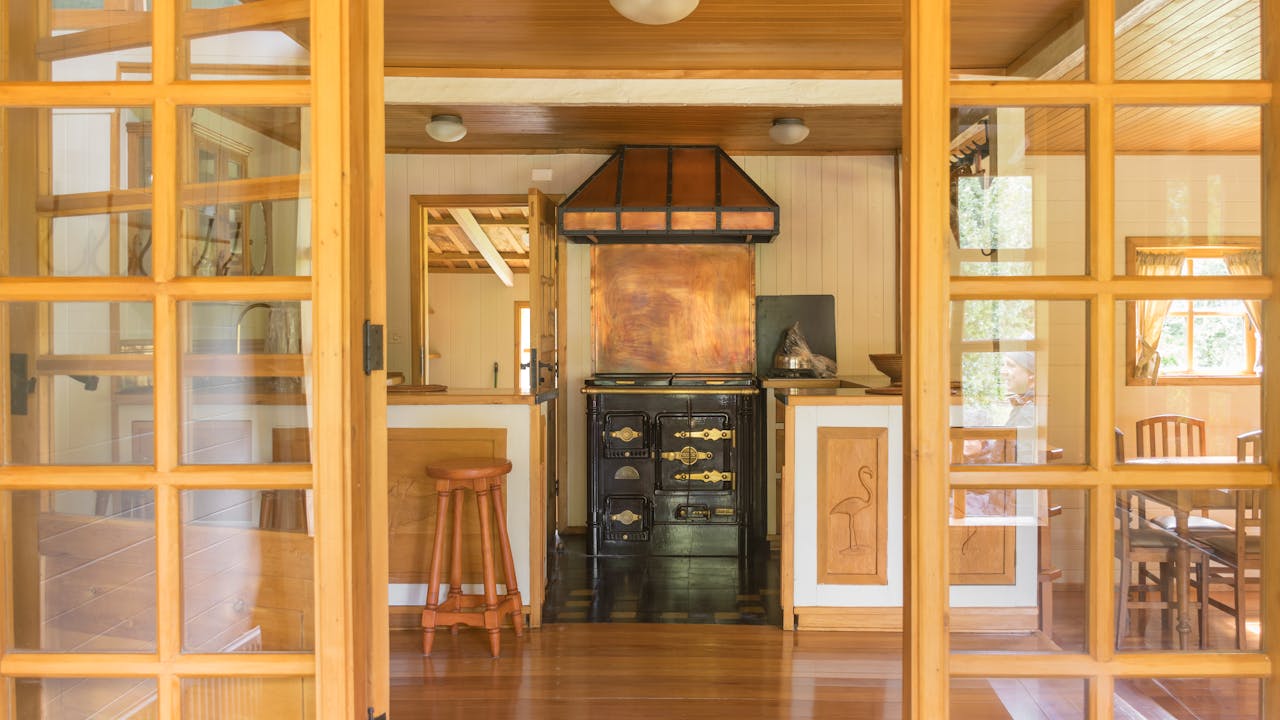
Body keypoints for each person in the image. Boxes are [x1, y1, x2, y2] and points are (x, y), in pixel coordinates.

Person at [1001, 351, 1036, 427]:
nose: (1003, 372)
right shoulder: (1022, 406)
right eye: (1003, 365)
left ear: (1032, 375)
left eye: (1011, 365)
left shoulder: (1029, 412)